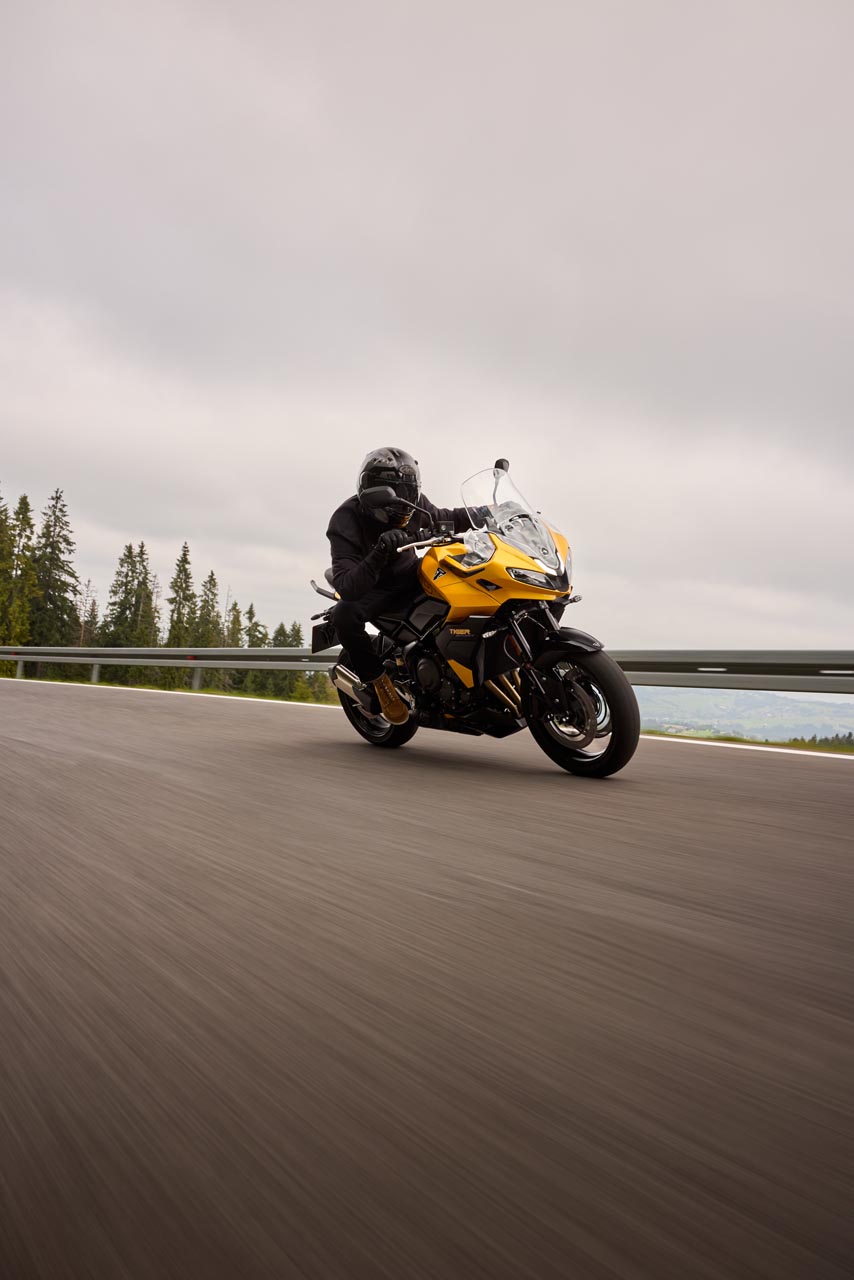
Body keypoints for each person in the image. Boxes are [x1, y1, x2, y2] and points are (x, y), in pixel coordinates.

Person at [326, 448, 474, 724]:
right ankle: (378, 681)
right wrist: (380, 551)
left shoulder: (411, 504)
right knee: (344, 614)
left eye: (409, 493)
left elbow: (446, 516)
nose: (406, 504)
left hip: (412, 575)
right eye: (398, 494)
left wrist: (496, 513)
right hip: (373, 588)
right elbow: (347, 585)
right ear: (375, 494)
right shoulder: (345, 520)